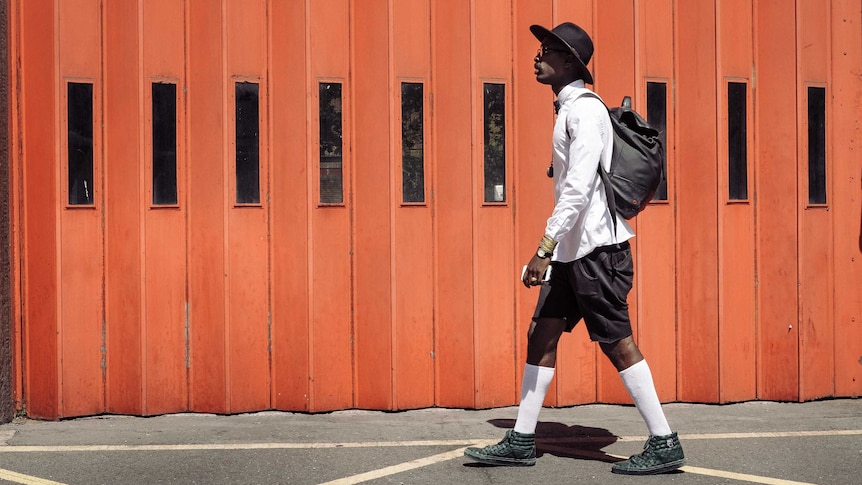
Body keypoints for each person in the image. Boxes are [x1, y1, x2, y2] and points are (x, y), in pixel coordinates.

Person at [464, 22, 685, 475]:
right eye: (540, 49)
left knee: (618, 343)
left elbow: (579, 188)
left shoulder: (583, 113)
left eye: (547, 51)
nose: (537, 56)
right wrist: (555, 248)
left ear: (570, 63)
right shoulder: (568, 109)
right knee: (541, 335)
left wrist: (544, 245)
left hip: (597, 252)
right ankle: (522, 439)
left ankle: (664, 441)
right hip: (573, 251)